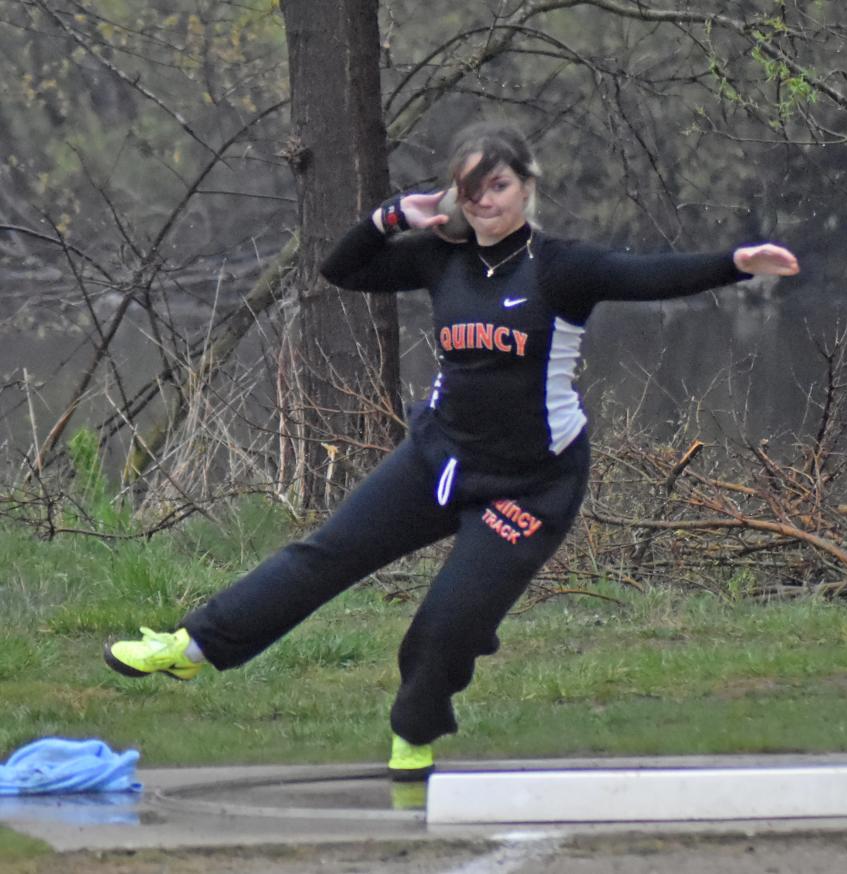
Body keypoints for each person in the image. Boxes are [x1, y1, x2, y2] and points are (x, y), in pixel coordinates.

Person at [104, 122, 799, 781]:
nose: (484, 202)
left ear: (526, 186)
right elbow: (342, 269)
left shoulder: (562, 269)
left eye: (496, 186)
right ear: (453, 200)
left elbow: (651, 275)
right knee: (323, 556)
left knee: (447, 623)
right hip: (438, 459)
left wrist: (737, 263)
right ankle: (192, 647)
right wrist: (389, 218)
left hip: (531, 485)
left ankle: (414, 729)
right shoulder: (442, 259)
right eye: (470, 191)